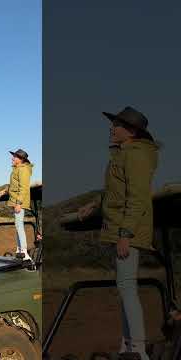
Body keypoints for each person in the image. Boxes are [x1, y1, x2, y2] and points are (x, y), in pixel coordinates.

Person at [78, 106, 158, 360]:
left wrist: (126, 234)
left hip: (128, 230)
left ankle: (138, 350)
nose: (112, 128)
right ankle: (128, 347)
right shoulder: (125, 154)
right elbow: (117, 192)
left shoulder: (136, 156)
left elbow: (137, 199)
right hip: (122, 228)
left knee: (127, 287)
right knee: (124, 288)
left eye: (117, 125)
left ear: (132, 131)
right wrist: (95, 204)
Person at [7, 148, 33, 260]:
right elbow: (15, 186)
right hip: (15, 201)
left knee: (19, 225)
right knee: (17, 225)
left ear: (21, 159)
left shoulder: (23, 170)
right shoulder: (17, 169)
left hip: (19, 202)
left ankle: (24, 252)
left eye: (15, 157)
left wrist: (18, 203)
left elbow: (23, 188)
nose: (12, 158)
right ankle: (19, 249)